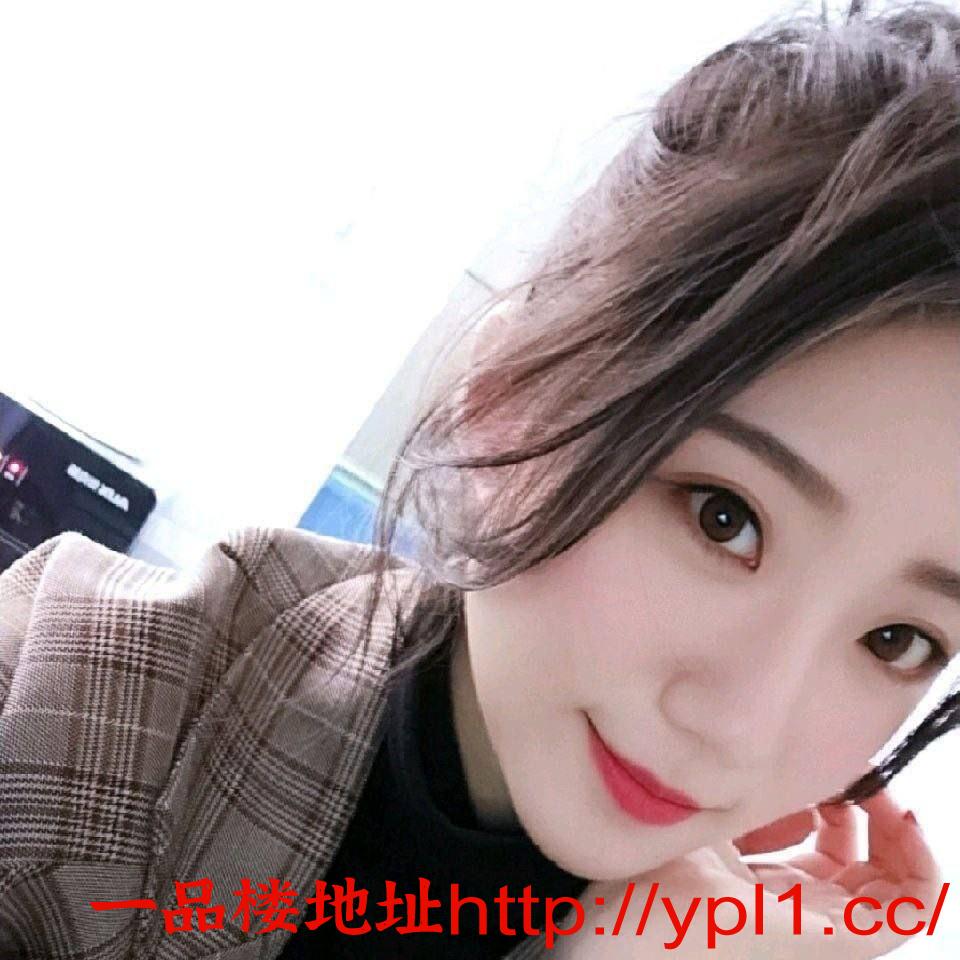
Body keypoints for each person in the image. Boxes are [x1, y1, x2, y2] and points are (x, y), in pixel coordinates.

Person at [1, 1, 958, 958]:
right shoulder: (66, 707)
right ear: (509, 397)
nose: (740, 727)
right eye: (724, 518)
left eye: (898, 639)